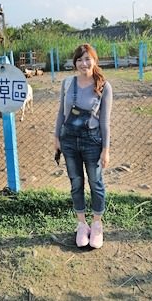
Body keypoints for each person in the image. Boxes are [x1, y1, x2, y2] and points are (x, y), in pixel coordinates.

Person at [54, 43, 113, 249]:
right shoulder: (67, 83)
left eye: (87, 59)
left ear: (94, 60)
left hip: (92, 141)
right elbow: (62, 112)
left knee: (96, 182)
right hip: (69, 140)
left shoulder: (104, 86)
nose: (83, 63)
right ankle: (81, 224)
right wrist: (57, 138)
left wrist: (106, 149)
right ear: (75, 63)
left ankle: (97, 224)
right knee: (76, 182)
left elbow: (105, 122)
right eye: (79, 59)